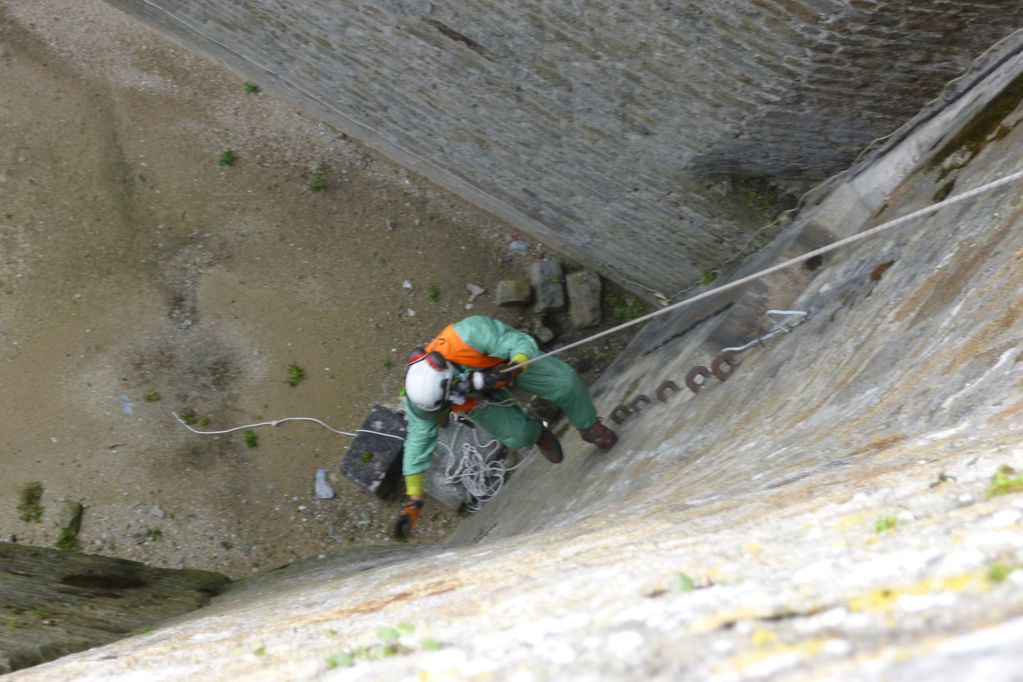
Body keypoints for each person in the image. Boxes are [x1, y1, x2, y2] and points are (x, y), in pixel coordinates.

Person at [394, 315, 617, 537]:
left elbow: (520, 343)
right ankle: (537, 433)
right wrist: (414, 500)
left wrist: (516, 366)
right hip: (474, 397)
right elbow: (417, 442)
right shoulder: (422, 397)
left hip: (507, 365)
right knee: (517, 437)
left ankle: (588, 426)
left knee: (565, 383)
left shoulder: (469, 334)